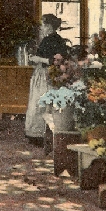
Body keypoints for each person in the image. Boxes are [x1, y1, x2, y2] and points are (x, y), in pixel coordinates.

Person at [25, 14, 70, 142]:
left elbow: (53, 60)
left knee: (40, 103)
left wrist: (37, 59)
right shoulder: (58, 39)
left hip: (45, 74)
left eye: (43, 25)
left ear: (49, 26)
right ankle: (44, 134)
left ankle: (38, 135)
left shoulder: (49, 40)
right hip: (51, 73)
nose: (42, 27)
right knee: (45, 104)